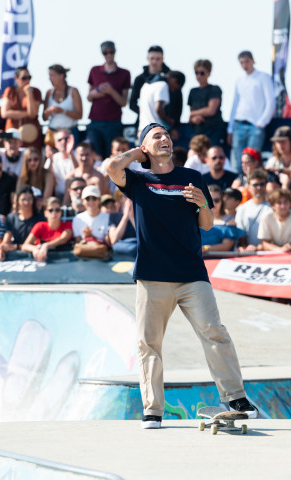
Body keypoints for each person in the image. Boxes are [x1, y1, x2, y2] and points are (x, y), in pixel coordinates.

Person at [106, 122, 257, 428]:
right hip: (152, 276)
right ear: (146, 146)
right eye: (156, 136)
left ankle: (235, 396)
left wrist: (202, 203)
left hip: (191, 274)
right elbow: (111, 166)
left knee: (214, 331)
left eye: (166, 135)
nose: (164, 139)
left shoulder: (191, 176)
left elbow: (207, 224)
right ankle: (152, 410)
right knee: (149, 344)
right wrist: (139, 152)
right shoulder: (137, 179)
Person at [227, 51, 276, 173]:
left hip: (255, 126)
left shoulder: (263, 77)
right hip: (239, 124)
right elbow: (235, 104)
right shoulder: (239, 80)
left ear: (253, 61)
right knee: (237, 164)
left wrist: (261, 123)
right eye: (242, 62)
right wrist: (230, 128)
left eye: (247, 61)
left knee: (252, 162)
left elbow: (271, 101)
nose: (245, 65)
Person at [87, 41, 131, 157]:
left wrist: (111, 91)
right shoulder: (94, 70)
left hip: (114, 122)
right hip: (95, 121)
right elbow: (89, 97)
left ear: (115, 52)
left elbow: (123, 102)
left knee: (113, 156)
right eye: (105, 52)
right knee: (96, 156)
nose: (109, 55)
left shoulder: (124, 73)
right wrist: (97, 91)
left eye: (111, 52)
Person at [0, 185, 45, 261]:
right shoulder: (11, 218)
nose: (26, 202)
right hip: (17, 257)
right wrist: (0, 248)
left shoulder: (40, 218)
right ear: (18, 200)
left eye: (29, 199)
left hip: (36, 255)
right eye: (23, 199)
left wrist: (18, 247)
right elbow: (6, 241)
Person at [1, 66, 43, 149]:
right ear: (16, 79)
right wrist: (26, 113)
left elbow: (33, 115)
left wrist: (29, 94)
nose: (27, 80)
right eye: (24, 78)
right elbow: (4, 113)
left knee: (32, 159)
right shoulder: (9, 91)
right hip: (13, 134)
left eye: (29, 77)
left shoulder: (36, 92)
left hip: (31, 134)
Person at [21, 196, 73, 261]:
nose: (54, 213)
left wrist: (46, 245)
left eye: (57, 210)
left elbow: (63, 239)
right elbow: (25, 245)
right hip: (43, 261)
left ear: (61, 212)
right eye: (51, 210)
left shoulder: (68, 225)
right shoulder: (40, 226)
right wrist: (34, 249)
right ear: (45, 213)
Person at [129, 45, 170, 126]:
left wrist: (173, 124)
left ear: (162, 60)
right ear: (148, 59)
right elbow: (132, 103)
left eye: (157, 59)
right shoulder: (140, 79)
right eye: (152, 58)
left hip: (166, 124)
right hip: (144, 124)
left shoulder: (169, 78)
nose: (154, 62)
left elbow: (176, 100)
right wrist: (146, 112)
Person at [188, 59, 225, 147]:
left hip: (214, 130)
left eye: (202, 73)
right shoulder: (193, 91)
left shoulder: (215, 89)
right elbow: (191, 117)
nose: (198, 76)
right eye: (196, 73)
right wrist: (194, 118)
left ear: (208, 73)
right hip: (198, 131)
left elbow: (211, 110)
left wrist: (193, 113)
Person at [43, 64, 83, 143]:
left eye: (52, 75)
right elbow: (44, 118)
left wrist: (63, 111)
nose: (50, 79)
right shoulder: (49, 93)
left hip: (70, 133)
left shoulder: (73, 91)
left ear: (61, 76)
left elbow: (79, 115)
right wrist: (48, 112)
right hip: (52, 133)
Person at [235, 169, 272, 252]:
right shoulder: (242, 209)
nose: (259, 188)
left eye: (262, 184)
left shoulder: (273, 207)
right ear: (248, 187)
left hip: (267, 252)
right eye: (255, 185)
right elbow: (241, 235)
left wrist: (260, 247)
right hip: (247, 253)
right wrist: (246, 247)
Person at [48, 130, 78, 198]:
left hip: (76, 194)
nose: (63, 142)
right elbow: (47, 177)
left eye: (66, 139)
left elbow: (79, 173)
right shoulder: (53, 157)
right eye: (60, 140)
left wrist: (70, 154)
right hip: (58, 195)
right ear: (55, 144)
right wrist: (50, 160)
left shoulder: (78, 155)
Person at [164, 71, 185, 141]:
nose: (173, 90)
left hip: (168, 128)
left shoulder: (177, 92)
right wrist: (167, 119)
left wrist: (174, 128)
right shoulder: (159, 85)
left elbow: (178, 110)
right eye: (174, 88)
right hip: (150, 126)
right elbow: (157, 109)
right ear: (174, 80)